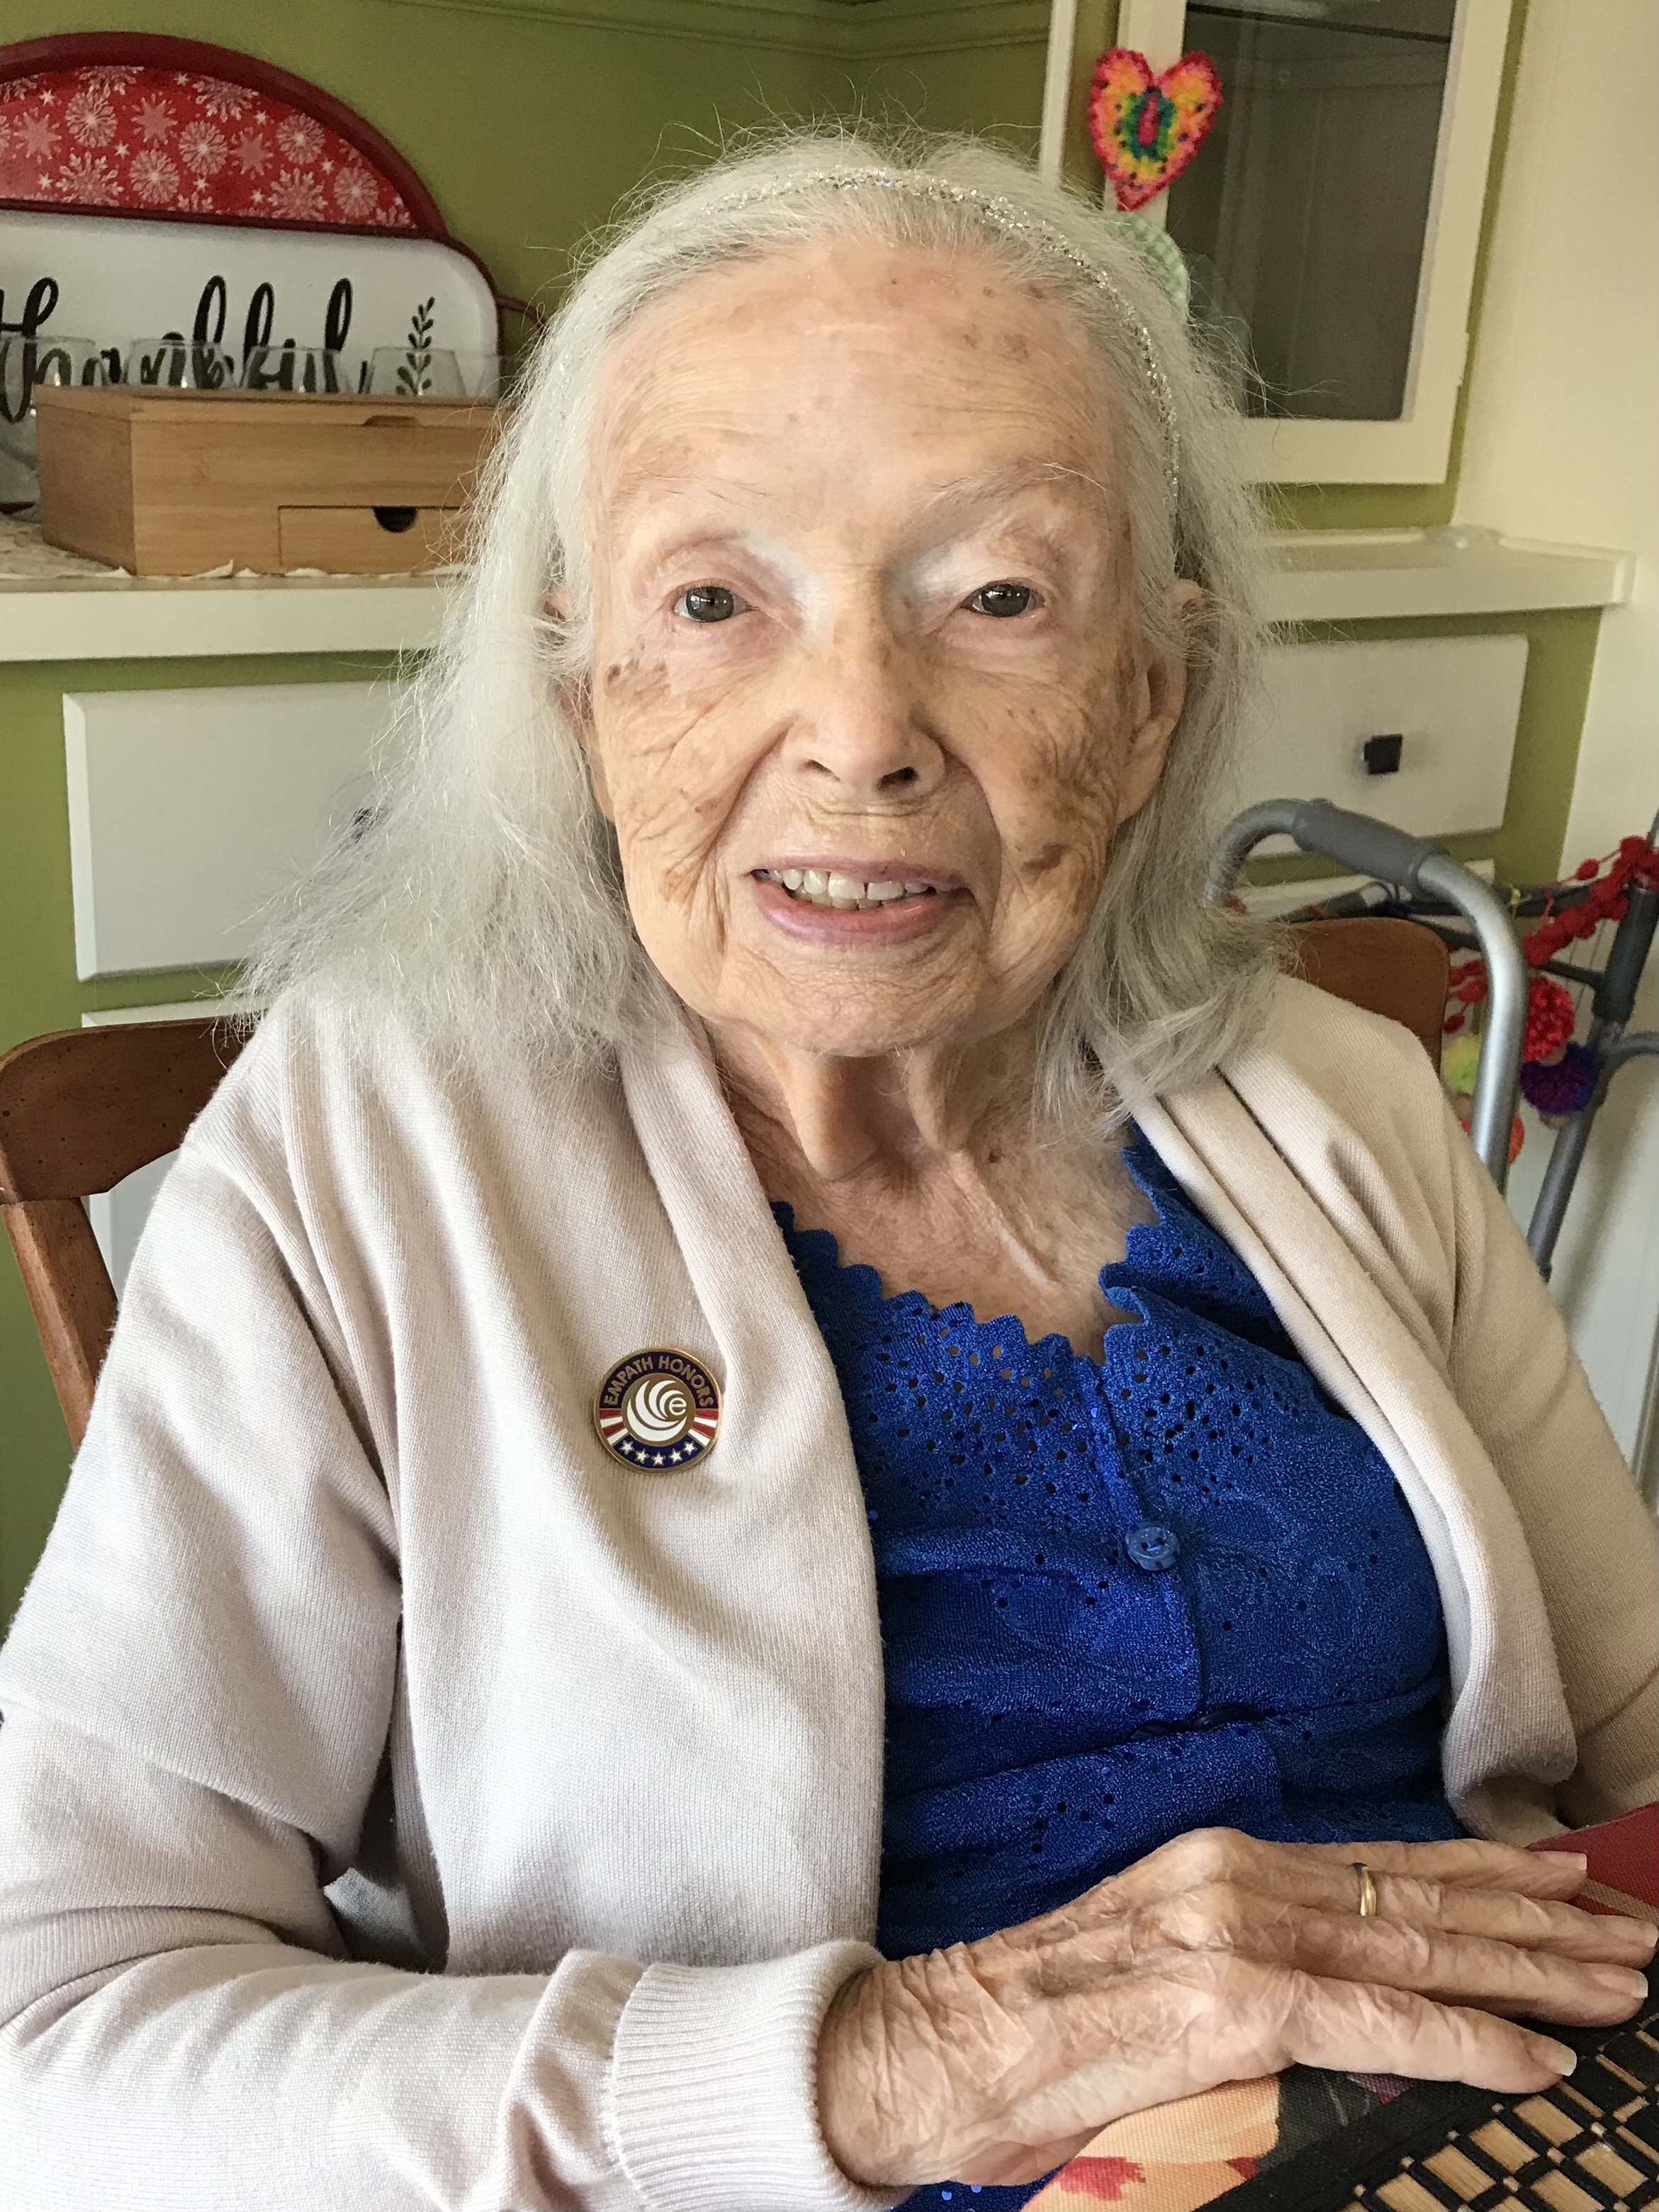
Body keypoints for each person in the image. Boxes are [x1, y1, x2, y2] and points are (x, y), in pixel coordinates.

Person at [1, 134, 1653, 2212]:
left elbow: (1631, 1718)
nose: (861, 727)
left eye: (999, 598)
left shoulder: (1338, 1097)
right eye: (715, 600)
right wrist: (897, 2062)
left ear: (1153, 694)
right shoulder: (364, 1154)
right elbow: (56, 2042)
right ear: (578, 687)